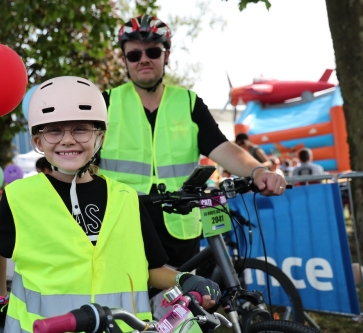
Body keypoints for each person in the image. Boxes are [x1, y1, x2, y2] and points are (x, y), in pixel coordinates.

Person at [0, 76, 222, 332]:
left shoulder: (126, 199)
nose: (67, 140)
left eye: (81, 129)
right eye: (53, 130)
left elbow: (149, 269)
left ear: (101, 138)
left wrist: (184, 279)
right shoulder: (20, 197)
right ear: (38, 142)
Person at [99, 14, 285, 269]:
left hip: (180, 222)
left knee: (184, 304)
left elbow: (221, 146)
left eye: (153, 52)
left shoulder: (188, 102)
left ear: (167, 56)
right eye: (134, 55)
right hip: (124, 223)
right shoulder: (105, 103)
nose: (144, 59)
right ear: (124, 61)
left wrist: (259, 170)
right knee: (129, 305)